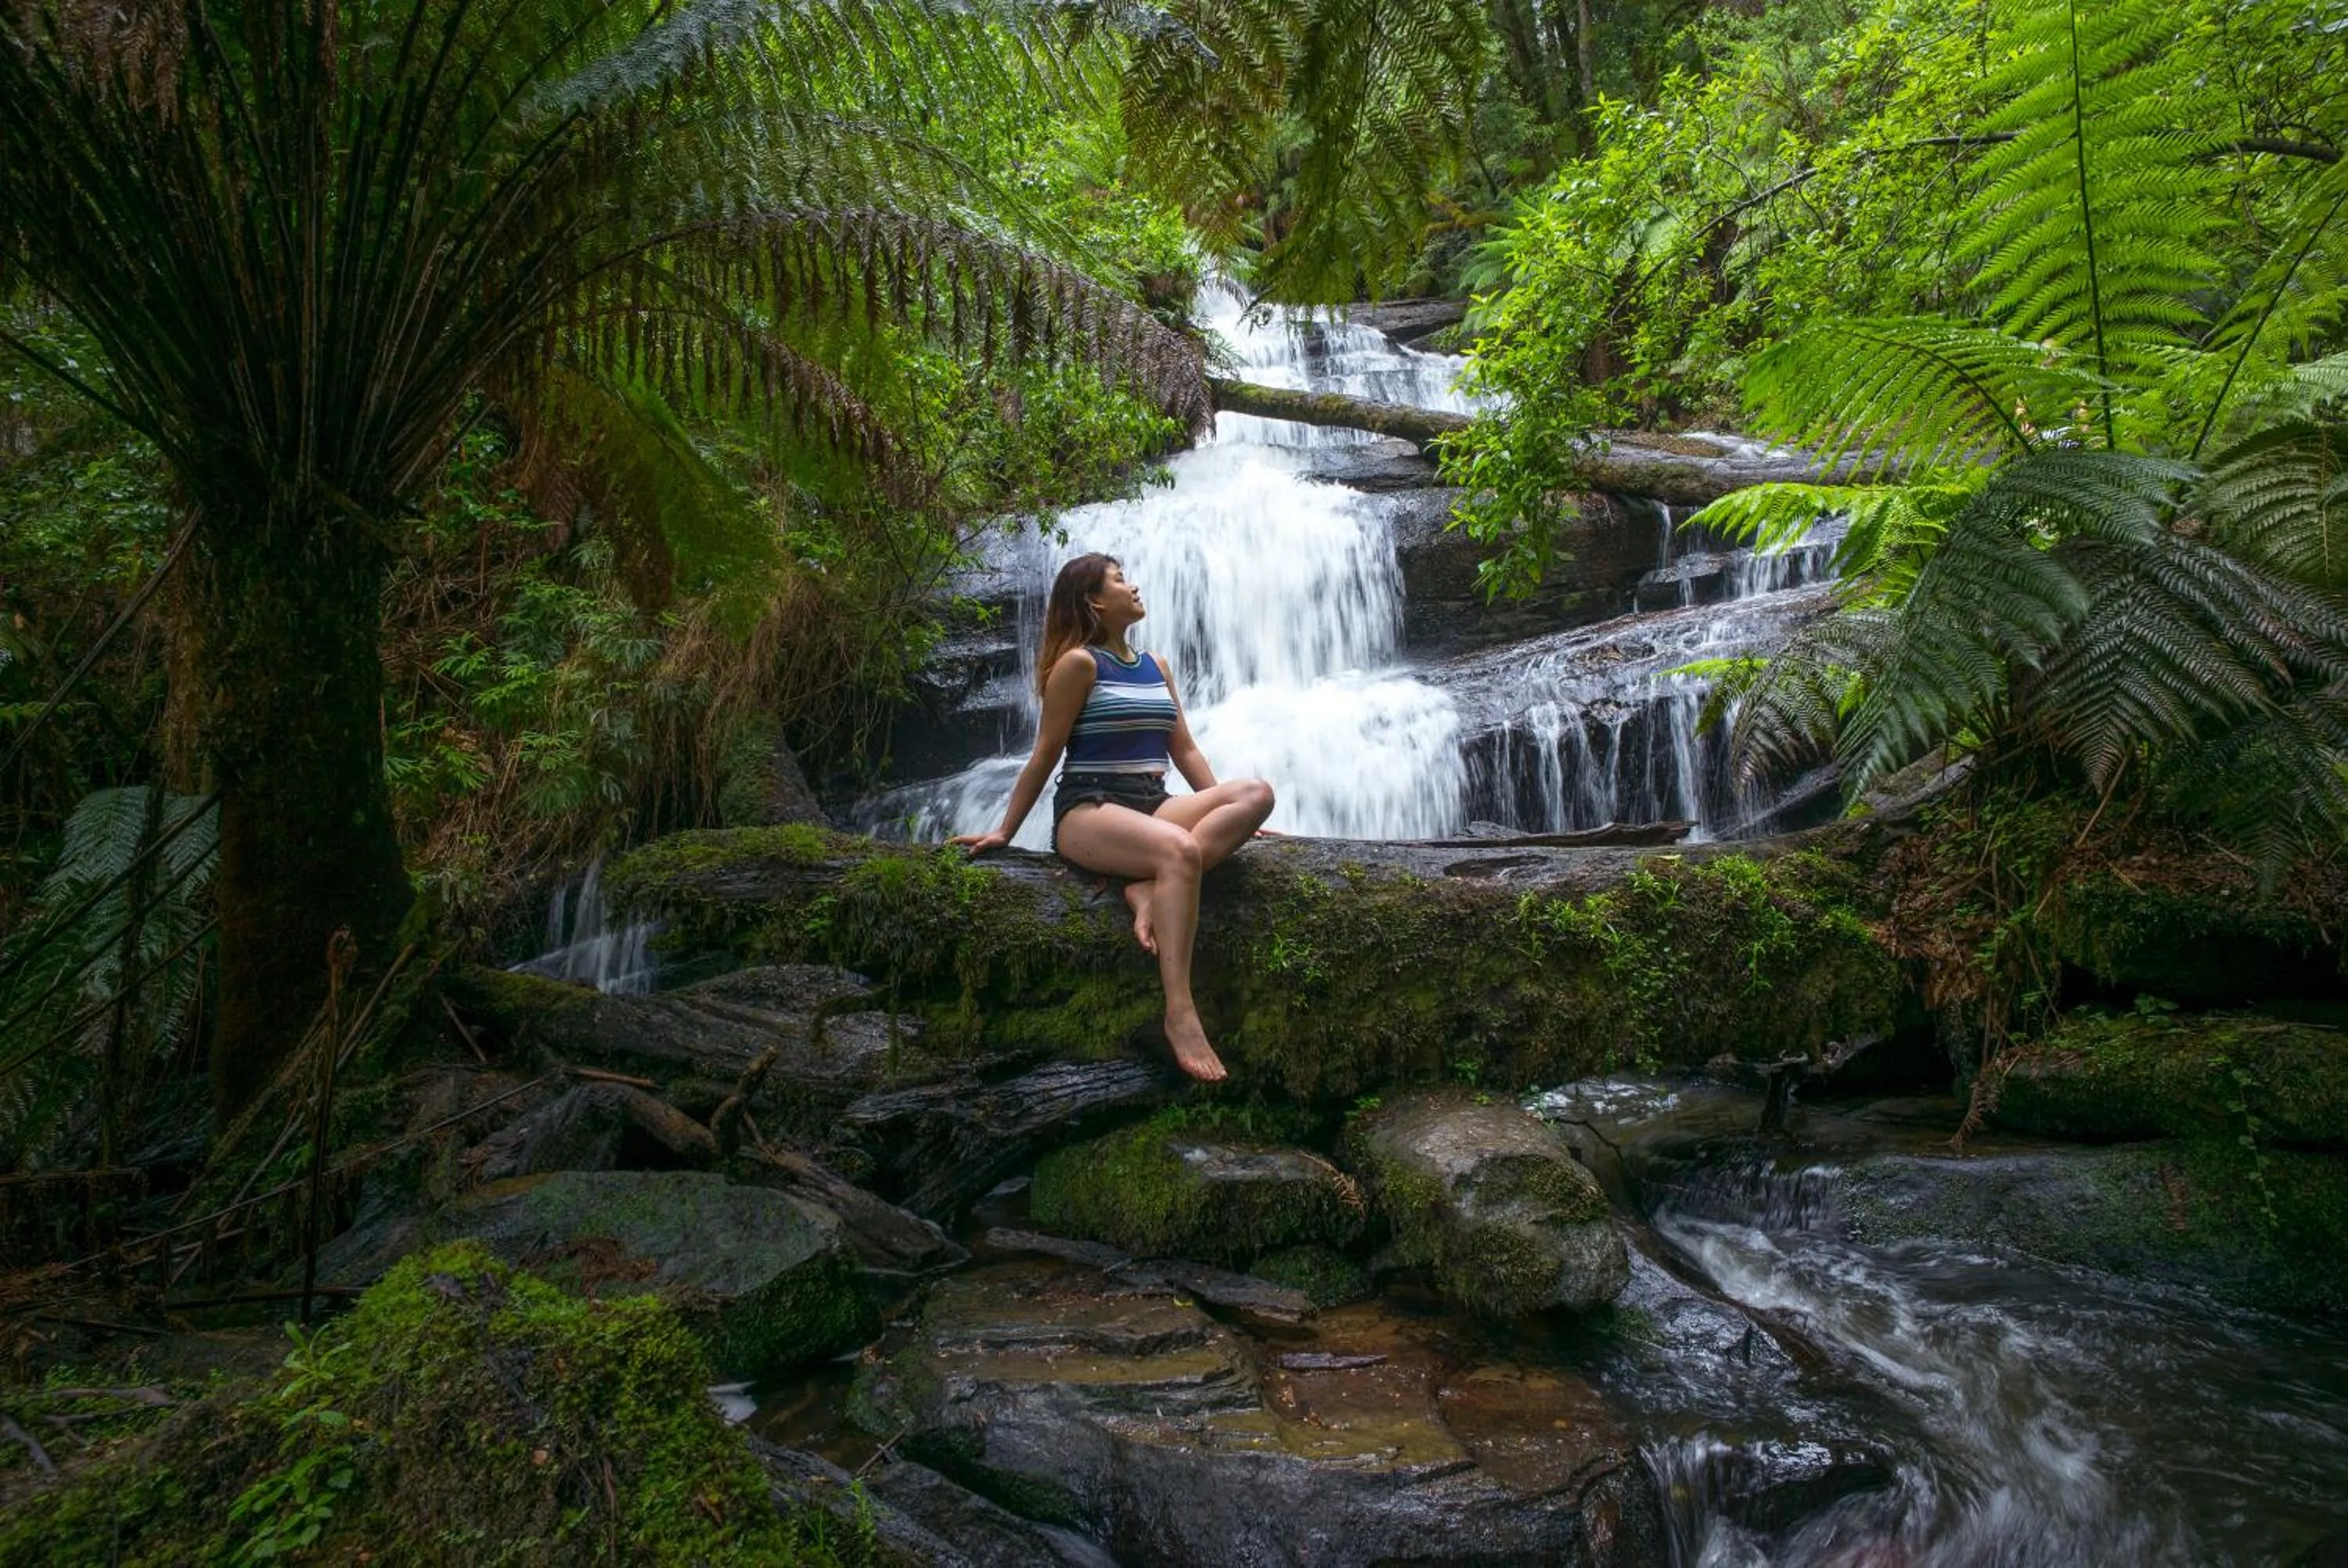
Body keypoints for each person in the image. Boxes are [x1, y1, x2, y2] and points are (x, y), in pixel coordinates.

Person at [949, 553, 1275, 1081]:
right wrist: (1003, 830)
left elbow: (1185, 749)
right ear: (1095, 601)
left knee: (1256, 794)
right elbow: (1045, 754)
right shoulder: (1079, 665)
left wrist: (1220, 807)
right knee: (1181, 849)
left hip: (1154, 801)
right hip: (1090, 808)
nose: (1135, 586)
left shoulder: (1156, 666)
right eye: (1121, 580)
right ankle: (1180, 1011)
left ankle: (1147, 886)